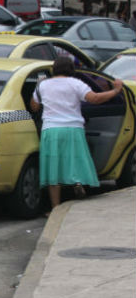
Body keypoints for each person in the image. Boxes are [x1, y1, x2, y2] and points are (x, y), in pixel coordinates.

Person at [30, 57, 124, 211]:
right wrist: (115, 91)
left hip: (51, 129)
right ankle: (77, 182)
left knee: (54, 167)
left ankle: (55, 207)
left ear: (54, 69)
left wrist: (38, 91)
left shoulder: (43, 85)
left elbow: (34, 107)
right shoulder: (76, 83)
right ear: (71, 70)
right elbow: (94, 99)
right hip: (73, 128)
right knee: (75, 159)